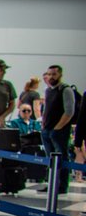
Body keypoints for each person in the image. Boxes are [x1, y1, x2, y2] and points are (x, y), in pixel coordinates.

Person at [40, 64, 75, 195]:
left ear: (60, 74)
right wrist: (44, 124)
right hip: (47, 130)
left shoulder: (65, 90)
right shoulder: (48, 90)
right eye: (49, 74)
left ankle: (62, 185)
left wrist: (57, 128)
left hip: (59, 131)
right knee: (50, 160)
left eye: (54, 74)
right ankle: (51, 184)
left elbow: (69, 111)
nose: (50, 77)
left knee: (61, 158)